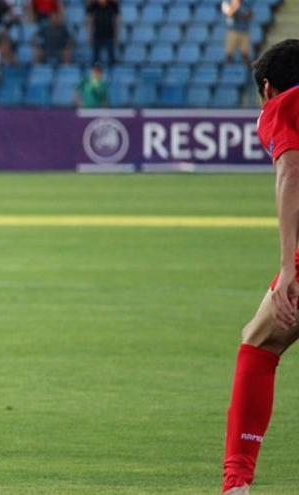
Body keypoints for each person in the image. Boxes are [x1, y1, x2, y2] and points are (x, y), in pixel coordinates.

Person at [221, 38, 299, 495]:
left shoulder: (284, 106)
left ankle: (237, 483)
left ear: (267, 88)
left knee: (259, 344)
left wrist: (288, 269)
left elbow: (291, 169)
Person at [86, 0, 118, 66]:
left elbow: (115, 21)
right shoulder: (94, 5)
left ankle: (111, 73)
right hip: (97, 34)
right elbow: (90, 20)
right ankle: (95, 74)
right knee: (95, 59)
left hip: (109, 34)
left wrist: (116, 36)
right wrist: (89, 35)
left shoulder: (112, 4)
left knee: (111, 58)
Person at [222, 0, 252, 67]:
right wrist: (235, 6)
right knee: (229, 54)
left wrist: (244, 15)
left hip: (244, 31)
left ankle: (246, 71)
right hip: (233, 30)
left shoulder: (245, 4)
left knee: (245, 54)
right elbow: (229, 14)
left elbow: (250, 15)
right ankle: (229, 69)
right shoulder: (227, 3)